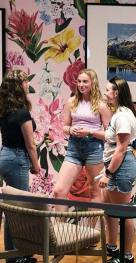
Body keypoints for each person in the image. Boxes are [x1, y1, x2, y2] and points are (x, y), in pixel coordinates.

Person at [0, 69, 41, 263]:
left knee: (12, 207)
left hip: (4, 156)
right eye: (24, 82)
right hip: (16, 159)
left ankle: (16, 251)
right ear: (18, 87)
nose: (27, 85)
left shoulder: (5, 109)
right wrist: (36, 165)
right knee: (17, 209)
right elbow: (30, 143)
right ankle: (15, 256)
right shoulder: (22, 113)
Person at [53, 69, 111, 211]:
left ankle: (94, 232)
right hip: (74, 149)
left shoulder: (101, 105)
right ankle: (62, 232)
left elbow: (109, 134)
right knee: (59, 191)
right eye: (79, 81)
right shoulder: (71, 102)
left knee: (95, 193)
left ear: (93, 83)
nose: (81, 84)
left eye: (85, 81)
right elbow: (65, 127)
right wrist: (70, 130)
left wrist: (90, 132)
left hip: (94, 149)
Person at [99, 76, 136, 263]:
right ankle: (113, 249)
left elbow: (121, 148)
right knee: (111, 210)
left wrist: (108, 173)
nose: (105, 93)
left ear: (116, 93)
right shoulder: (120, 112)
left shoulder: (123, 116)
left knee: (124, 212)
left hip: (120, 167)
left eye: (108, 90)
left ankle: (126, 256)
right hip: (115, 166)